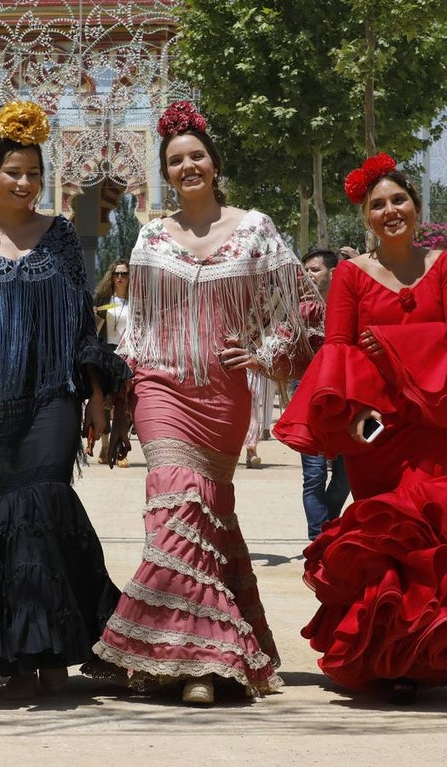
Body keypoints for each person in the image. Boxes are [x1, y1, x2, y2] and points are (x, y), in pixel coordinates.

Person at [275, 154, 447, 701]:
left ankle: (418, 649)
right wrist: (355, 417)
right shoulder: (349, 274)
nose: (390, 211)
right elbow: (340, 350)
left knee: (425, 528)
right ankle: (386, 654)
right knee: (381, 528)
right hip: (371, 426)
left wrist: (396, 347)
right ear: (365, 217)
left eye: (399, 200)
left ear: (417, 207)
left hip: (429, 423)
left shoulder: (442, 266)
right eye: (378, 205)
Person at [92, 101, 321, 705]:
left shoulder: (257, 229)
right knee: (176, 512)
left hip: (223, 397)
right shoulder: (149, 237)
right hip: (161, 388)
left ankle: (173, 655)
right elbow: (136, 320)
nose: (188, 166)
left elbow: (295, 301)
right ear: (165, 174)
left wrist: (266, 353)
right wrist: (128, 388)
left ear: (214, 164)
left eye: (197, 156)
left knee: (207, 521)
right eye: (175, 161)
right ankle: (197, 665)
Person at [0, 101, 129, 699]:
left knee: (45, 501)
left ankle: (60, 650)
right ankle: (16, 654)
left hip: (52, 398)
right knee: (5, 513)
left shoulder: (60, 236)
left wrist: (96, 398)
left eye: (34, 174)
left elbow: (79, 326)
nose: (25, 183)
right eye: (14, 172)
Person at [298, 247, 350, 538]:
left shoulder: (352, 305)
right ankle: (319, 538)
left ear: (333, 272)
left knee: (347, 475)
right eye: (305, 270)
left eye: (314, 270)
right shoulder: (301, 312)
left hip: (350, 400)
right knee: (314, 475)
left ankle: (327, 527)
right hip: (308, 396)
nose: (308, 276)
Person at [92, 259, 132, 466]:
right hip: (107, 353)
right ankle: (106, 445)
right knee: (107, 402)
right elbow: (95, 329)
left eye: (124, 274)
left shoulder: (137, 302)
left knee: (123, 404)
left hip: (128, 354)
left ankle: (121, 450)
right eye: (117, 274)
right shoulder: (105, 300)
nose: (120, 278)